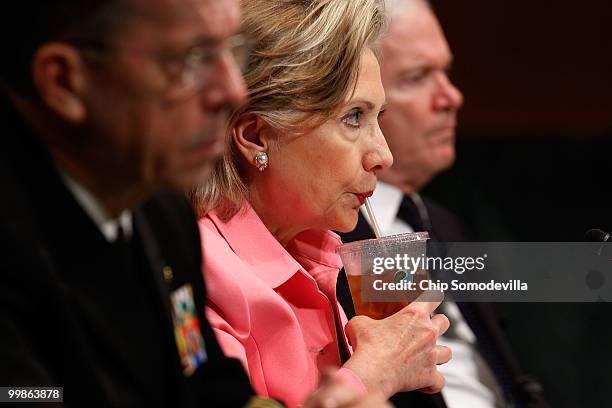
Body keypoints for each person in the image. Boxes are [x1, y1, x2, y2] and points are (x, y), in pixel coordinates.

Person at [0, 0, 391, 407]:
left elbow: (205, 381)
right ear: (65, 81)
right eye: (192, 59)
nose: (232, 90)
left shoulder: (161, 212)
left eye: (230, 52)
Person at [191, 0, 452, 407]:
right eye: (353, 118)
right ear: (257, 136)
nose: (383, 156)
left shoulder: (323, 251)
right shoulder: (197, 275)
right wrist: (372, 376)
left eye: (379, 116)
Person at [338, 1, 548, 407]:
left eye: (446, 72)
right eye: (417, 78)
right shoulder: (331, 229)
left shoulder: (443, 225)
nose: (451, 96)